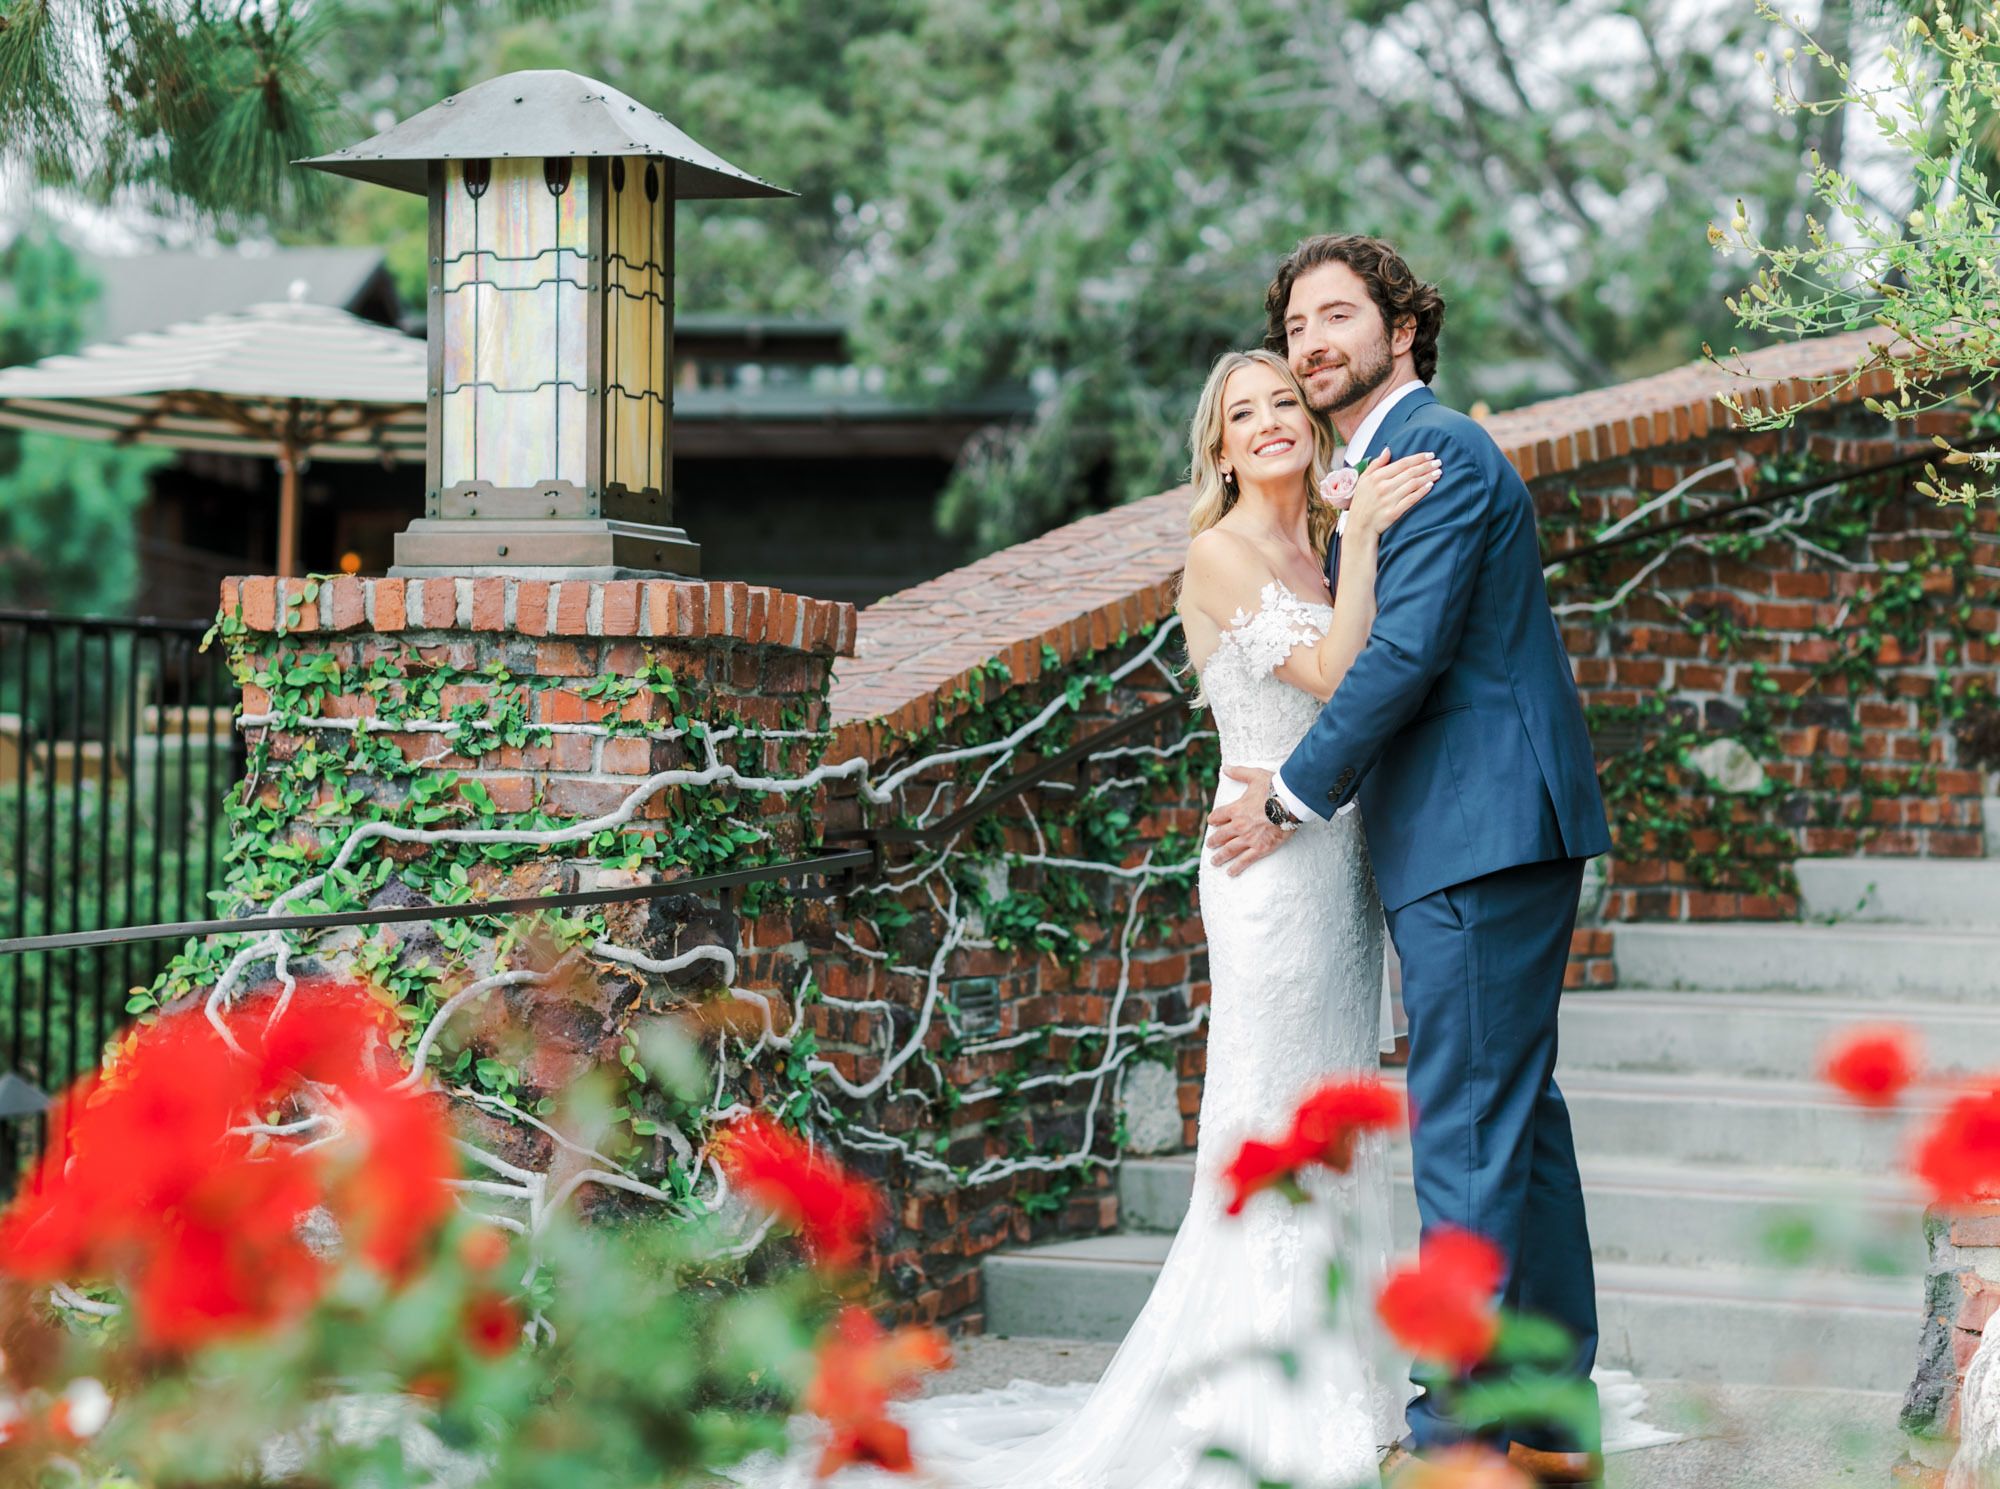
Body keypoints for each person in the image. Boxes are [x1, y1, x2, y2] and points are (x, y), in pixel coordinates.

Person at [1203, 234, 1613, 1484]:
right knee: (1512, 1117)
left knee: (1467, 1124)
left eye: (1337, 316)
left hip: (1477, 828)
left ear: (1402, 328)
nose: (1311, 342)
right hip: (1477, 830)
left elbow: (1401, 657)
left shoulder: (1432, 449)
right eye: (1294, 326)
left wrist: (1286, 794)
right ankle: (1547, 1411)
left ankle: (1455, 1426)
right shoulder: (1378, 465)